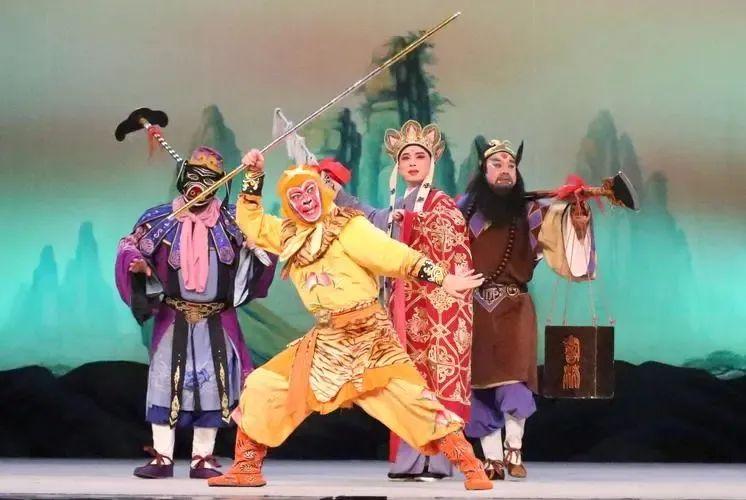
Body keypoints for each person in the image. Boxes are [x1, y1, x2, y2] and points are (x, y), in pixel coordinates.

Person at [207, 149, 492, 491]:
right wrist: (254, 175)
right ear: (289, 204)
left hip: (369, 338)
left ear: (321, 192)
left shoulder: (349, 227)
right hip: (326, 341)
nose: (304, 200)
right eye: (295, 196)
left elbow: (396, 256)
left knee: (412, 401)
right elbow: (251, 222)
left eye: (309, 191)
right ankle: (246, 467)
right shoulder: (289, 234)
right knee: (263, 385)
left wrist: (444, 278)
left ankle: (471, 467)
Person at [115, 146, 276, 479]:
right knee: (164, 384)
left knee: (213, 386)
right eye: (192, 176)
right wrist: (138, 264)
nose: (197, 185)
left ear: (219, 184)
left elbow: (262, 233)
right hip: (173, 318)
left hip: (216, 320)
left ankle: (202, 457)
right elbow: (129, 244)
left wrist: (253, 178)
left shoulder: (234, 222)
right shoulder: (159, 219)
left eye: (207, 179)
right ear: (182, 178)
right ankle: (162, 457)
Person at [335, 120, 473, 481]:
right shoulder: (398, 205)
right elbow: (376, 230)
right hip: (404, 305)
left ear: (432, 163)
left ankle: (438, 459)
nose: (412, 163)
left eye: (419, 157)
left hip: (436, 308)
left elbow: (449, 247)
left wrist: (402, 222)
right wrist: (345, 202)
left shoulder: (442, 204)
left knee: (434, 380)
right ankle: (411, 458)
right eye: (405, 158)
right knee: (407, 383)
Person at [459, 137, 595, 480]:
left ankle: (514, 448)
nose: (505, 171)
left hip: (514, 305)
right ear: (483, 170)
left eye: (511, 165)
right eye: (497, 165)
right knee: (479, 385)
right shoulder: (463, 211)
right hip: (471, 307)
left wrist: (577, 220)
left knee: (514, 379)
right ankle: (491, 459)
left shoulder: (531, 211)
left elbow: (563, 230)